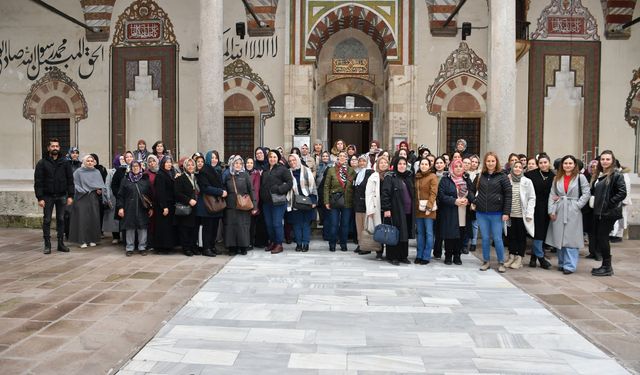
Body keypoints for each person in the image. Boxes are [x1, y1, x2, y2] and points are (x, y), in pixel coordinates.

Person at [546, 155, 590, 274]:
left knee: (571, 238)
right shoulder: (557, 178)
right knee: (559, 237)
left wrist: (577, 205)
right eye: (565, 163)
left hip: (573, 209)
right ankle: (562, 263)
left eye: (570, 163)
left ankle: (570, 265)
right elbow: (552, 194)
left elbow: (586, 193)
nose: (568, 165)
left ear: (575, 165)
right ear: (562, 165)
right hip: (559, 208)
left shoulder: (580, 177)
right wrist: (551, 211)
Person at [34, 138, 74, 254]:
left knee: (61, 219)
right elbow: (38, 182)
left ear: (59, 148)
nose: (55, 148)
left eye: (57, 146)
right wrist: (40, 198)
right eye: (53, 146)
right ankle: (47, 244)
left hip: (62, 195)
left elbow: (70, 180)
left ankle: (61, 244)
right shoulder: (42, 163)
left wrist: (71, 195)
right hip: (47, 196)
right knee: (47, 220)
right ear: (48, 148)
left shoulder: (65, 162)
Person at [590, 150, 627, 276]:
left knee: (603, 238)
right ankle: (605, 265)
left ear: (612, 161)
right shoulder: (600, 174)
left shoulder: (616, 175)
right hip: (599, 211)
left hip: (608, 213)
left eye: (607, 159)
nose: (605, 161)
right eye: (603, 159)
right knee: (600, 238)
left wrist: (609, 204)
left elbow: (622, 192)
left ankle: (607, 266)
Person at [475, 152, 512, 273]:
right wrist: (475, 200)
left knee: (497, 239)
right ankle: (486, 261)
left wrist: (506, 212)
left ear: (496, 162)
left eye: (493, 161)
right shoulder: (480, 176)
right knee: (485, 238)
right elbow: (470, 190)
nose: (490, 163)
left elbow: (508, 195)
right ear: (485, 162)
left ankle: (501, 262)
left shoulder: (502, 176)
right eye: (488, 161)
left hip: (497, 213)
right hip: (482, 213)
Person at [437, 159, 475, 265]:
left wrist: (468, 200)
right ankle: (448, 256)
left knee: (461, 234)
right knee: (450, 235)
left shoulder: (466, 179)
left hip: (463, 211)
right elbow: (441, 195)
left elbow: (471, 192)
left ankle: (457, 255)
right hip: (450, 211)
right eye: (456, 166)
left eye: (460, 166)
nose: (458, 168)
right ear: (452, 168)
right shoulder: (445, 180)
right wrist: (454, 201)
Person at [381, 157, 415, 265]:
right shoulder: (390, 176)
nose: (402, 166)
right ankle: (393, 256)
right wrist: (386, 209)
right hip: (395, 209)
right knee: (395, 233)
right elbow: (385, 193)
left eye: (404, 164)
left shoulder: (408, 176)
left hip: (408, 210)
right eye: (400, 164)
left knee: (404, 234)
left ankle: (403, 256)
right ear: (395, 165)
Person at [524, 153, 554, 269]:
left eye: (545, 162)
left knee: (542, 234)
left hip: (547, 208)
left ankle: (533, 258)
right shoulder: (530, 175)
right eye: (540, 163)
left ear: (549, 163)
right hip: (533, 208)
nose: (543, 165)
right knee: (537, 234)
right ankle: (541, 259)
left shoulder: (553, 175)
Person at [504, 161, 536, 269]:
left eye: (519, 167)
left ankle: (519, 258)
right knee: (511, 236)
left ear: (522, 169)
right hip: (510, 214)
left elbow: (532, 197)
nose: (517, 169)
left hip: (522, 215)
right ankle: (511, 256)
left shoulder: (527, 181)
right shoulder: (508, 180)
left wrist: (529, 213)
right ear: (512, 169)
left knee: (521, 237)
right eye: (515, 167)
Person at [117, 160, 153, 256]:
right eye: (133, 166)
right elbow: (120, 195)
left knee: (142, 228)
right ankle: (129, 248)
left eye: (137, 166)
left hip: (143, 208)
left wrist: (150, 208)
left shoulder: (145, 179)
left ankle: (142, 247)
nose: (135, 168)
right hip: (129, 207)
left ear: (140, 167)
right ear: (131, 168)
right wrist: (120, 208)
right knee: (130, 228)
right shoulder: (125, 179)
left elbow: (150, 195)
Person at [260, 150, 293, 254]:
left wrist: (279, 189)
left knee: (277, 223)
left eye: (274, 157)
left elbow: (289, 183)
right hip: (266, 202)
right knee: (269, 224)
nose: (272, 159)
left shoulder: (283, 169)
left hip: (278, 202)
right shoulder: (265, 170)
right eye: (270, 157)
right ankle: (273, 242)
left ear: (278, 158)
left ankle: (279, 244)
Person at [69, 154, 105, 248]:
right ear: (84, 162)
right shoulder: (78, 172)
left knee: (94, 218)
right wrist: (81, 190)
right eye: (88, 161)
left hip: (93, 197)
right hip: (82, 197)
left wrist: (99, 190)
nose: (90, 162)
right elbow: (74, 183)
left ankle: (93, 239)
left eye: (91, 161)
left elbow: (100, 184)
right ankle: (82, 240)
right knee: (82, 219)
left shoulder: (96, 171)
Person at [195, 151, 226, 257]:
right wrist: (221, 192)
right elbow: (205, 188)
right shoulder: (203, 171)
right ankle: (206, 248)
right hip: (207, 204)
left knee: (214, 228)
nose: (214, 159)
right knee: (207, 228)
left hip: (216, 204)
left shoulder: (218, 170)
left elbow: (221, 184)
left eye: (216, 158)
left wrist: (223, 190)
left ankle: (212, 246)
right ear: (208, 159)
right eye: (212, 157)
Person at [324, 151, 356, 252]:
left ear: (347, 158)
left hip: (347, 201)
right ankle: (332, 243)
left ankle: (343, 243)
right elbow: (326, 186)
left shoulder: (351, 171)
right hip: (334, 200)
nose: (342, 158)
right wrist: (326, 201)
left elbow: (355, 187)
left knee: (345, 224)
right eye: (340, 156)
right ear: (337, 158)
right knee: (334, 224)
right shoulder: (331, 170)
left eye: (344, 156)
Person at [223, 155, 256, 255]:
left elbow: (251, 190)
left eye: (240, 163)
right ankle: (232, 248)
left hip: (243, 205)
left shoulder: (245, 175)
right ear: (232, 164)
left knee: (243, 226)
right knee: (231, 227)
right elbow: (223, 188)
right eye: (236, 163)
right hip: (230, 205)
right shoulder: (228, 175)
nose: (238, 165)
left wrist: (254, 205)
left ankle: (243, 247)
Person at [285, 153, 317, 252]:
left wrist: (313, 200)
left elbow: (313, 185)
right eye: (290, 161)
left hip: (307, 200)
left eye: (294, 160)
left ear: (298, 160)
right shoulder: (287, 172)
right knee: (296, 224)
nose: (292, 162)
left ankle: (306, 244)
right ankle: (299, 244)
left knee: (306, 224)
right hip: (294, 202)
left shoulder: (306, 170)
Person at [365, 156, 389, 260]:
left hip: (388, 207)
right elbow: (368, 194)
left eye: (385, 163)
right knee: (379, 229)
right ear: (378, 164)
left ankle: (390, 251)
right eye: (381, 163)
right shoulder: (373, 177)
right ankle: (379, 251)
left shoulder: (391, 175)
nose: (383, 164)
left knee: (388, 229)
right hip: (376, 206)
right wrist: (370, 209)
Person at [174, 157, 199, 256]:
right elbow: (177, 193)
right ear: (184, 166)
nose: (190, 166)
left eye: (192, 165)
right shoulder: (180, 178)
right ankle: (186, 248)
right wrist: (189, 200)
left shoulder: (196, 177)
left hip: (196, 207)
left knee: (194, 228)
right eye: (188, 165)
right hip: (185, 207)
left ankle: (193, 246)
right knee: (185, 228)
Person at [152, 155, 177, 253]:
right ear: (163, 164)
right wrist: (164, 207)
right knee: (163, 227)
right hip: (163, 205)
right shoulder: (160, 175)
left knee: (168, 227)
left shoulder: (171, 173)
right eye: (166, 162)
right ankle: (161, 247)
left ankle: (168, 246)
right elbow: (160, 192)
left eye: (170, 162)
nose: (169, 164)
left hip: (171, 204)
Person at [414, 158, 438, 264]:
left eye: (426, 164)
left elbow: (433, 193)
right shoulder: (417, 177)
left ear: (429, 166)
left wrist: (429, 207)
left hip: (429, 209)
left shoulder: (432, 176)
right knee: (420, 233)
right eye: (422, 164)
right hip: (418, 209)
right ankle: (419, 255)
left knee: (429, 233)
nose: (423, 166)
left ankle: (426, 256)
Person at [353, 154, 374, 254]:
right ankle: (360, 244)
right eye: (360, 161)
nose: (361, 163)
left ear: (367, 162)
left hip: (366, 204)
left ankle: (366, 247)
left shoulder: (370, 173)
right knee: (359, 226)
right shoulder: (358, 174)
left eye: (364, 161)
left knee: (366, 227)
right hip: (358, 204)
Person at [609, 160, 631, 243]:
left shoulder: (624, 175)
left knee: (620, 219)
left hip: (621, 201)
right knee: (616, 218)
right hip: (616, 200)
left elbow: (626, 189)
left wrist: (624, 201)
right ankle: (613, 234)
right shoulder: (616, 174)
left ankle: (617, 235)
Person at [102, 154, 122, 243]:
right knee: (113, 218)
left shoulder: (126, 170)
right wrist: (108, 197)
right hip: (113, 196)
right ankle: (115, 237)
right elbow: (107, 185)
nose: (122, 161)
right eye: (120, 159)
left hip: (122, 196)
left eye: (123, 159)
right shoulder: (111, 172)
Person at [432, 156, 447, 259]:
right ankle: (436, 251)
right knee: (434, 229)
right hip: (433, 205)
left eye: (441, 163)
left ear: (445, 164)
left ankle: (442, 250)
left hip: (444, 205)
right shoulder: (432, 175)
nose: (439, 165)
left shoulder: (448, 176)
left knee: (441, 229)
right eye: (437, 163)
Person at [145, 155, 159, 248]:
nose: (151, 163)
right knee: (150, 224)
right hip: (150, 201)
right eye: (149, 162)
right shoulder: (145, 174)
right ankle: (149, 243)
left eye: (153, 161)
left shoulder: (160, 172)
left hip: (159, 201)